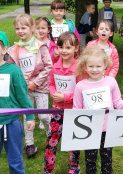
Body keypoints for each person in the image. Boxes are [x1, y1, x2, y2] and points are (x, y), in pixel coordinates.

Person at [73, 46, 123, 174]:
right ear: (85, 66)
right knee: (90, 161)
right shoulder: (80, 86)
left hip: (107, 129)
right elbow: (76, 110)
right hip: (89, 130)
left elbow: (117, 102)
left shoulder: (111, 82)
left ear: (105, 65)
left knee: (107, 160)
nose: (94, 70)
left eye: (98, 66)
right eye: (91, 66)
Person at [0, 30, 35, 174]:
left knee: (15, 162)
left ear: (4, 50)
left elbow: (22, 95)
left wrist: (31, 116)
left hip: (12, 124)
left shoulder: (14, 70)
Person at [7, 14, 52, 158]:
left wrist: (35, 82)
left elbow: (48, 66)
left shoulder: (41, 46)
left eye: (24, 27)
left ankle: (50, 135)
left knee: (44, 116)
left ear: (32, 28)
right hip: (24, 89)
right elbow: (12, 68)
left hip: (40, 88)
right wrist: (21, 84)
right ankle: (30, 144)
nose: (20, 31)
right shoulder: (14, 50)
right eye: (17, 28)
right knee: (28, 117)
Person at [43, 32, 81, 174]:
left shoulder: (79, 68)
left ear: (76, 48)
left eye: (68, 47)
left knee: (74, 139)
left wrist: (66, 97)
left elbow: (80, 90)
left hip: (73, 110)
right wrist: (54, 95)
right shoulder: (55, 67)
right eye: (61, 47)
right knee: (52, 139)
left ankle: (74, 167)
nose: (64, 51)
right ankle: (48, 169)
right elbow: (51, 84)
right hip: (57, 110)